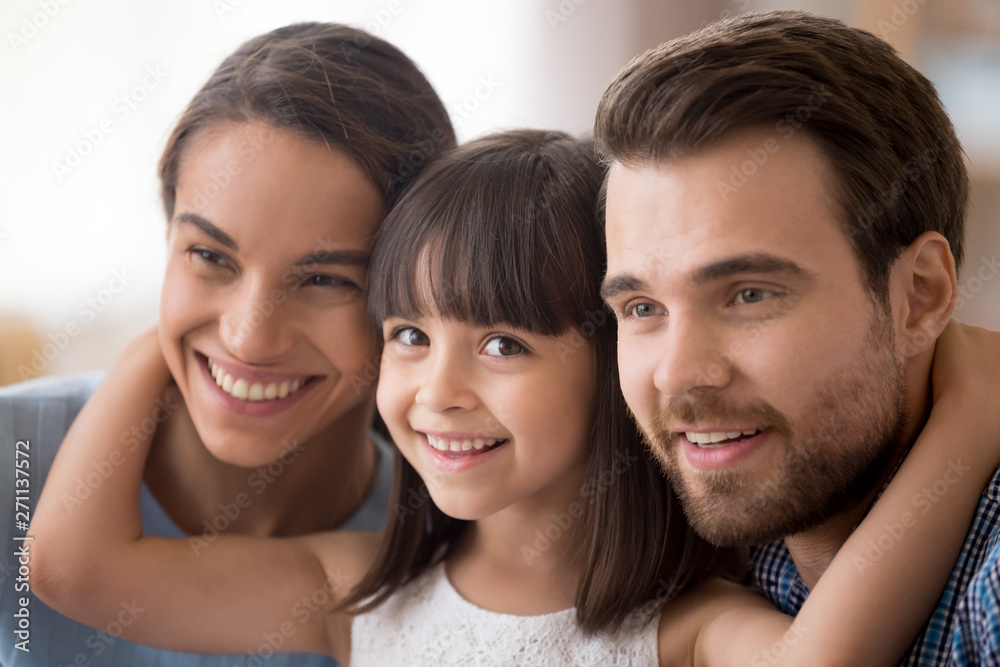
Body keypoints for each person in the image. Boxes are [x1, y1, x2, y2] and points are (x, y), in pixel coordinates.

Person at [28, 129, 1000, 665]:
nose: (438, 390)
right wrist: (170, 342)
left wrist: (969, 415)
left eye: (501, 342)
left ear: (617, 356)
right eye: (408, 334)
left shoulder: (686, 628)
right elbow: (76, 569)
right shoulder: (350, 592)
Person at [0, 21, 454, 667]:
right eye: (210, 255)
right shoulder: (12, 458)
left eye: (325, 278)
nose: (248, 335)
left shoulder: (445, 543)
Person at [595, 9, 1000, 664]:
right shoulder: (649, 544)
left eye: (749, 294)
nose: (678, 373)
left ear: (920, 295)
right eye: (642, 306)